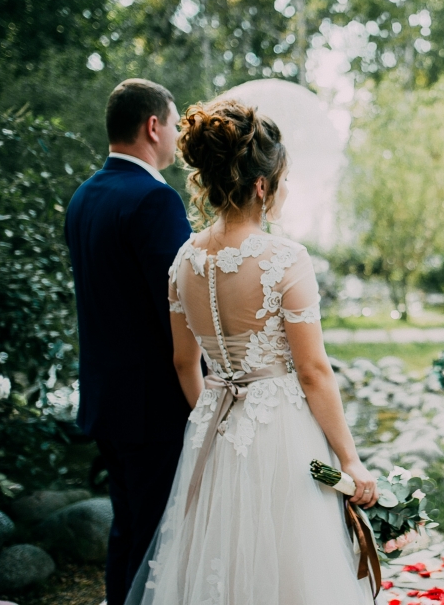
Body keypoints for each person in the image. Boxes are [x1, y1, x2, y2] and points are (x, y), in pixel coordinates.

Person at [126, 99, 377, 604]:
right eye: (282, 179)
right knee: (289, 562)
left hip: (213, 427)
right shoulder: (286, 258)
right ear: (262, 185)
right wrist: (351, 460)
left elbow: (184, 361)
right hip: (282, 429)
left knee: (221, 556)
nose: (284, 190)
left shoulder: (184, 259)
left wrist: (212, 414)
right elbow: (312, 371)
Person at [65, 79, 193, 605]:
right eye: (176, 123)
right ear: (153, 126)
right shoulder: (154, 200)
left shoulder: (84, 196)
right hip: (154, 403)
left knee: (127, 527)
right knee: (156, 536)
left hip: (106, 397)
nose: (178, 136)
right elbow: (181, 307)